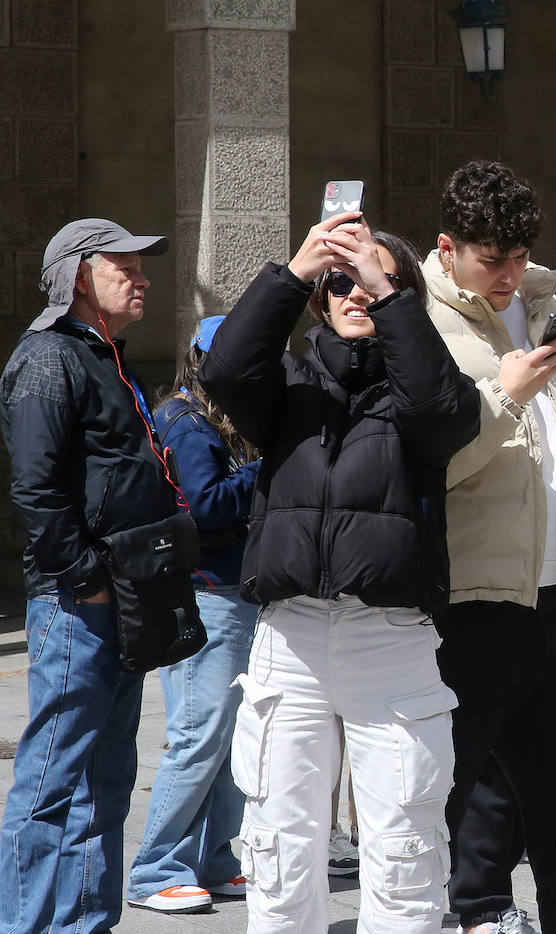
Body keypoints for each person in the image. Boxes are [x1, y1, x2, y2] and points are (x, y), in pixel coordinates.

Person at [200, 216, 479, 932]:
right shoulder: (288, 386)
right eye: (340, 281)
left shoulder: (424, 388)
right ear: (320, 298)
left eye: (372, 280)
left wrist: (390, 297)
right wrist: (293, 273)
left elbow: (446, 417)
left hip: (390, 640)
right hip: (289, 640)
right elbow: (225, 370)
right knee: (279, 850)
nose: (355, 292)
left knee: (405, 851)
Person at [424, 160, 556, 934]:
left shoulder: (548, 309)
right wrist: (506, 393)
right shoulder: (419, 324)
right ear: (447, 248)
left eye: (517, 257)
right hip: (472, 604)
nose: (507, 275)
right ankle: (472, 915)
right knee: (441, 810)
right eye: (490, 259)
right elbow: (432, 463)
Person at [0, 218, 172, 933]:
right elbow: (36, 489)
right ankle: (25, 923)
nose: (143, 279)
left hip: (123, 596)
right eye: (124, 267)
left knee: (107, 778)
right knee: (51, 779)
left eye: (142, 267)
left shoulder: (105, 356)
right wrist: (84, 579)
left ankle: (84, 923)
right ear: (78, 276)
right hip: (80, 603)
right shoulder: (48, 357)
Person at [125, 316, 262, 914]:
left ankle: (214, 859)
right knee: (199, 736)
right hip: (208, 594)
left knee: (230, 738)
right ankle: (156, 870)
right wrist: (270, 466)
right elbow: (205, 506)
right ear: (203, 362)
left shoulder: (222, 423)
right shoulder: (187, 422)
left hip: (234, 593)